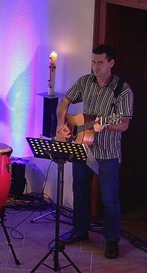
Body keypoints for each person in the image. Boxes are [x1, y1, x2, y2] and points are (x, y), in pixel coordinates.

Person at [56, 44, 133, 259]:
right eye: (93, 62)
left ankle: (112, 241)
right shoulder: (85, 81)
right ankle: (80, 231)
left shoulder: (123, 90)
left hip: (107, 152)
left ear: (111, 63)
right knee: (80, 191)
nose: (95, 67)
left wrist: (106, 125)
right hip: (83, 146)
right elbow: (64, 102)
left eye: (100, 62)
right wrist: (62, 123)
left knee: (109, 197)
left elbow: (125, 123)